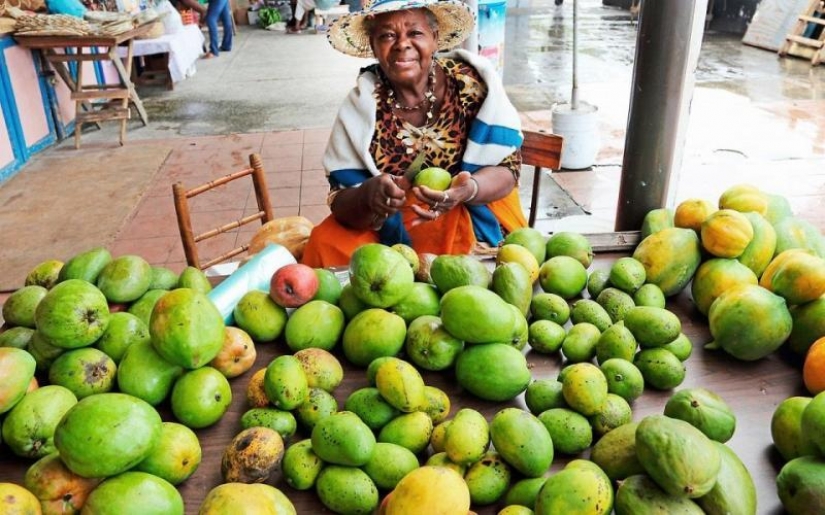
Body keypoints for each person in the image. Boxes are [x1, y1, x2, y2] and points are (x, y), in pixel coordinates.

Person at [300, 0, 527, 268]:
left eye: (415, 33)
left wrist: (468, 189)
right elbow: (341, 199)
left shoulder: (470, 83)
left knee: (452, 263)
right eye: (387, 35)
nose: (402, 44)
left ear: (435, 39)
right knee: (325, 242)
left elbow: (508, 168)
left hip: (471, 208)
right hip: (390, 224)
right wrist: (367, 196)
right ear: (373, 46)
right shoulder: (362, 105)